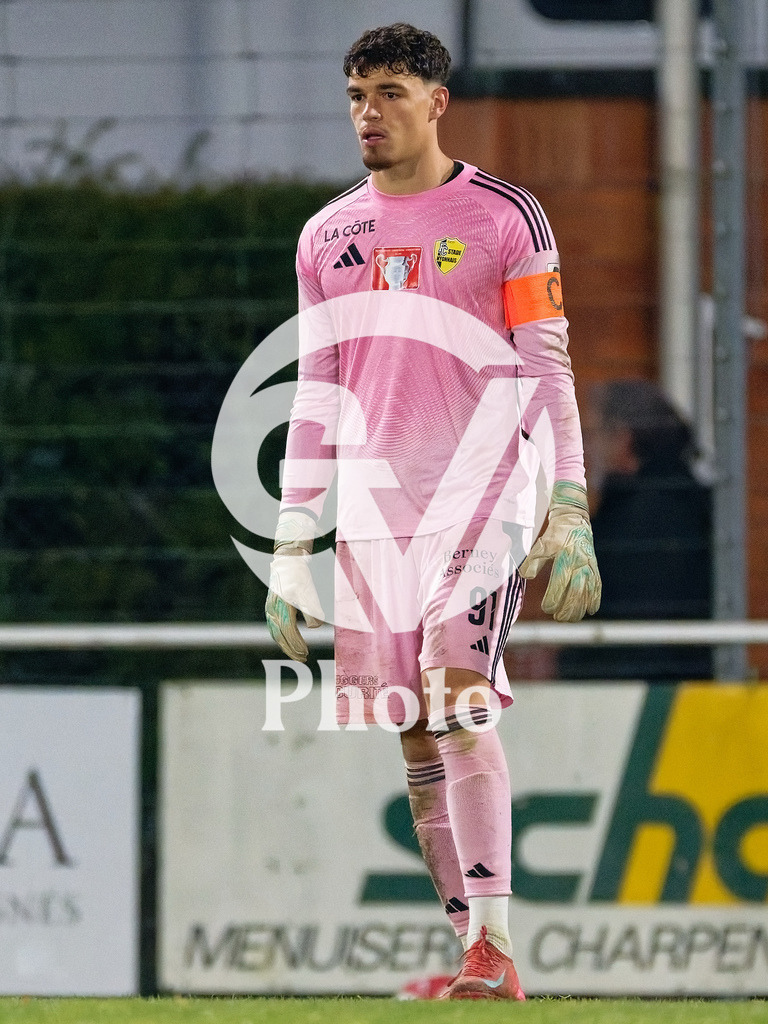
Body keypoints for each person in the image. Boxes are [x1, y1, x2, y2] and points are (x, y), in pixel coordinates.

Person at [265, 23, 600, 1001]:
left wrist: (568, 501)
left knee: (457, 700)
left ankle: (493, 949)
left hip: (483, 501)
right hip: (376, 520)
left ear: (437, 100)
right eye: (356, 96)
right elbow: (316, 395)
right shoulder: (326, 236)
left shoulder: (505, 217)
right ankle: (476, 956)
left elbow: (547, 365)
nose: (369, 115)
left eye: (390, 94)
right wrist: (292, 543)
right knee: (416, 731)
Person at [559, 378, 713, 681]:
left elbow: (631, 623)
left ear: (622, 438)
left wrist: (570, 666)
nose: (585, 449)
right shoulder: (678, 500)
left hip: (642, 695)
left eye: (591, 435)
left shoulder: (647, 515)